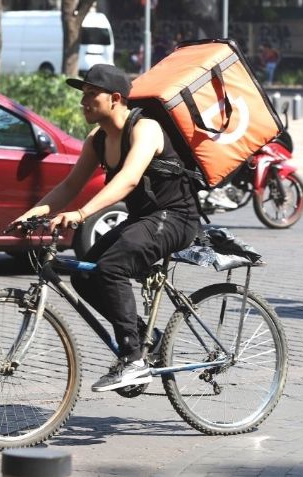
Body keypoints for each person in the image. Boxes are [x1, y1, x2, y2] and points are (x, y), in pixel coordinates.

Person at [11, 64, 200, 392]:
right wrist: (30, 214)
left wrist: (81, 214)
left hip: (176, 216)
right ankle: (144, 341)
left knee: (112, 267)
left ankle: (133, 359)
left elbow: (128, 179)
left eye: (90, 94)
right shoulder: (98, 139)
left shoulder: (146, 129)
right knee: (85, 276)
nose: (83, 102)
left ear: (115, 98)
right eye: (81, 95)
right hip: (143, 219)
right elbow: (70, 186)